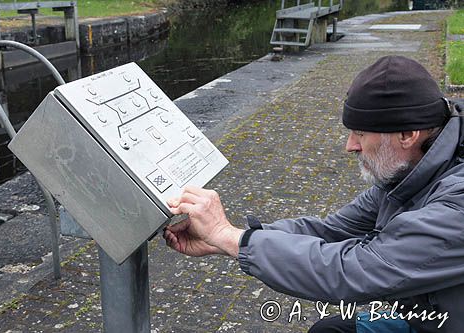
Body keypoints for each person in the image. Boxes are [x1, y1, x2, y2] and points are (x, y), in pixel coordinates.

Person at [163, 55, 464, 333]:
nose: (350, 146)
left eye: (360, 133)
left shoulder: (456, 207)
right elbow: (329, 230)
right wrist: (231, 239)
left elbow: (354, 272)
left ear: (408, 134)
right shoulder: (407, 174)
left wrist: (228, 237)